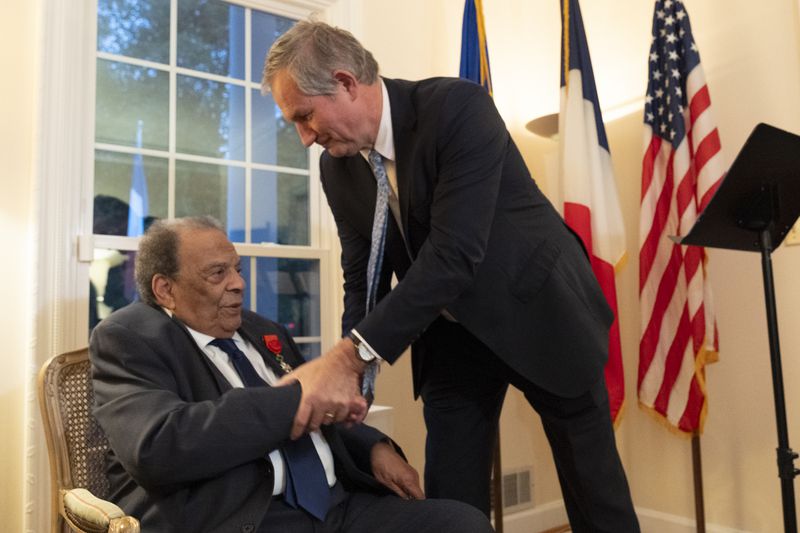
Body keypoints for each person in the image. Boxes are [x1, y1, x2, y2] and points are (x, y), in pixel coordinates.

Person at [262, 20, 640, 532]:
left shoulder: (457, 108)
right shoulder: (338, 166)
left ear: (346, 81)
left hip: (540, 310)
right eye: (295, 124)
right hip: (450, 335)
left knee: (597, 496)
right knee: (449, 500)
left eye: (305, 116)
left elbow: (455, 253)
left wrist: (348, 356)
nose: (305, 137)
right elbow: (362, 274)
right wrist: (357, 377)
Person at [89, 216, 493, 533]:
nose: (238, 284)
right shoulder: (129, 338)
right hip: (246, 518)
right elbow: (160, 447)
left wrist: (372, 447)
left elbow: (316, 411)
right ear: (165, 290)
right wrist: (295, 396)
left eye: (237, 269)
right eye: (217, 274)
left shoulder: (264, 331)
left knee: (464, 523)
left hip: (336, 507)